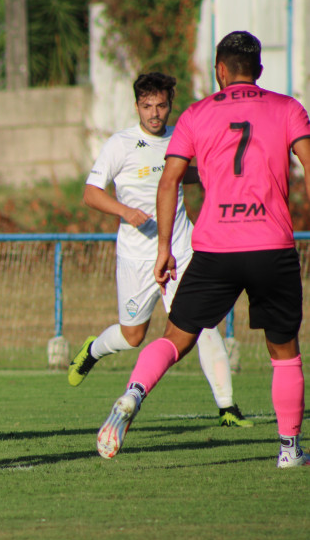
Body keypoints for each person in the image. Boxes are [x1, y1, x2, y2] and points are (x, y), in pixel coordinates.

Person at [96, 31, 310, 467]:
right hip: (271, 245)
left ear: (219, 71)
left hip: (214, 249)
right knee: (284, 351)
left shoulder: (195, 115)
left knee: (176, 336)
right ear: (259, 70)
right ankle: (289, 449)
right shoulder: (287, 108)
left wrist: (162, 249)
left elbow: (170, 181)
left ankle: (133, 394)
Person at [68, 72, 251, 427]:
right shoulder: (120, 144)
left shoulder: (180, 137)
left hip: (182, 248)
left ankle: (227, 407)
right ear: (136, 105)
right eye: (147, 105)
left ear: (171, 106)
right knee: (132, 336)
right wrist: (126, 212)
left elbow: (186, 174)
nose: (155, 113)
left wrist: (218, 173)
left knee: (203, 322)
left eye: (162, 105)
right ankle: (91, 351)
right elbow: (91, 193)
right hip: (137, 256)